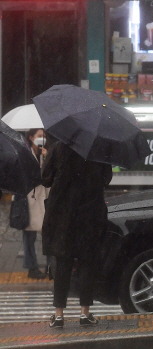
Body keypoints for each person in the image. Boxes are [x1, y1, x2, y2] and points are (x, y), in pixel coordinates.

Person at [42, 138, 113, 328]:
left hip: (63, 215)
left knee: (62, 263)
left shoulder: (58, 148)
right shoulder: (98, 148)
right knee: (87, 263)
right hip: (90, 214)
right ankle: (85, 313)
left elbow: (46, 179)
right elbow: (106, 179)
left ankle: (58, 316)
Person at [22, 128, 49, 279]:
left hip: (44, 199)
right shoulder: (25, 155)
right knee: (29, 236)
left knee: (48, 233)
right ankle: (32, 268)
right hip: (30, 200)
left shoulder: (46, 154)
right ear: (31, 137)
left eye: (44, 136)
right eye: (39, 136)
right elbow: (31, 177)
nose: (42, 139)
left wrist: (47, 158)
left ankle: (50, 266)